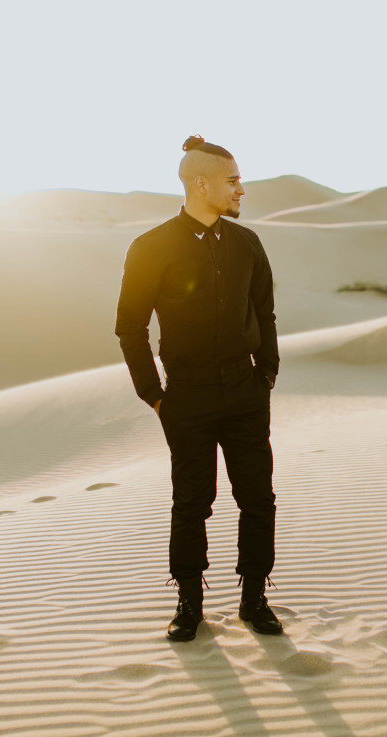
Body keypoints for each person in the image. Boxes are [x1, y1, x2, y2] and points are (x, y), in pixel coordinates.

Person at [115, 135, 283, 641]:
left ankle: (254, 599)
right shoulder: (151, 247)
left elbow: (265, 315)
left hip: (245, 389)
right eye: (233, 181)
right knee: (192, 501)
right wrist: (155, 394)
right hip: (185, 395)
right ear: (200, 183)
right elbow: (130, 327)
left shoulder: (247, 244)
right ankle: (189, 603)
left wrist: (266, 375)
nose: (241, 190)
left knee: (257, 497)